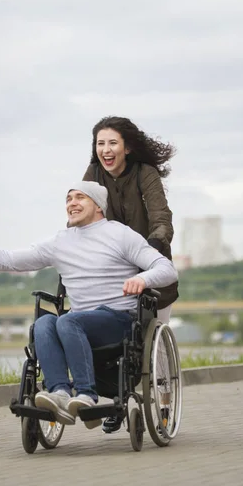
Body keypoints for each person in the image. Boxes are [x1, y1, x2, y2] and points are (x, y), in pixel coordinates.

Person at [0, 181, 178, 429]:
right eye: (68, 199)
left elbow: (166, 270)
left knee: (67, 320)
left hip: (119, 320)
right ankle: (60, 394)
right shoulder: (60, 242)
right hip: (78, 324)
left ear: (98, 205)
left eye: (80, 198)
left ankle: (86, 395)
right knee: (44, 323)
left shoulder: (120, 234)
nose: (72, 203)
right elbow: (7, 261)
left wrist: (142, 278)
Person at [82, 116, 178, 433]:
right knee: (103, 337)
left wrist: (152, 247)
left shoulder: (144, 174)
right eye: (100, 144)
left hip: (149, 266)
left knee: (156, 344)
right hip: (108, 271)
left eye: (112, 143)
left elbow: (161, 216)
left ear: (127, 147)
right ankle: (114, 400)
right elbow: (81, 211)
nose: (106, 150)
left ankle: (163, 406)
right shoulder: (93, 175)